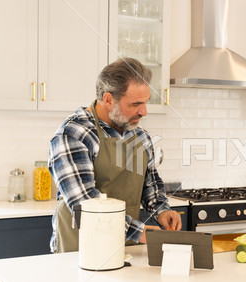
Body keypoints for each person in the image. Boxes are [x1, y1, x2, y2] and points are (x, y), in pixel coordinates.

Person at [48, 57, 181, 253]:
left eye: (145, 103)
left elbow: (150, 184)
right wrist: (139, 230)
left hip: (126, 247)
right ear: (109, 99)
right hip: (80, 249)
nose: (143, 112)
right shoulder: (74, 134)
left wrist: (163, 210)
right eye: (136, 104)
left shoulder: (140, 136)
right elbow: (86, 204)